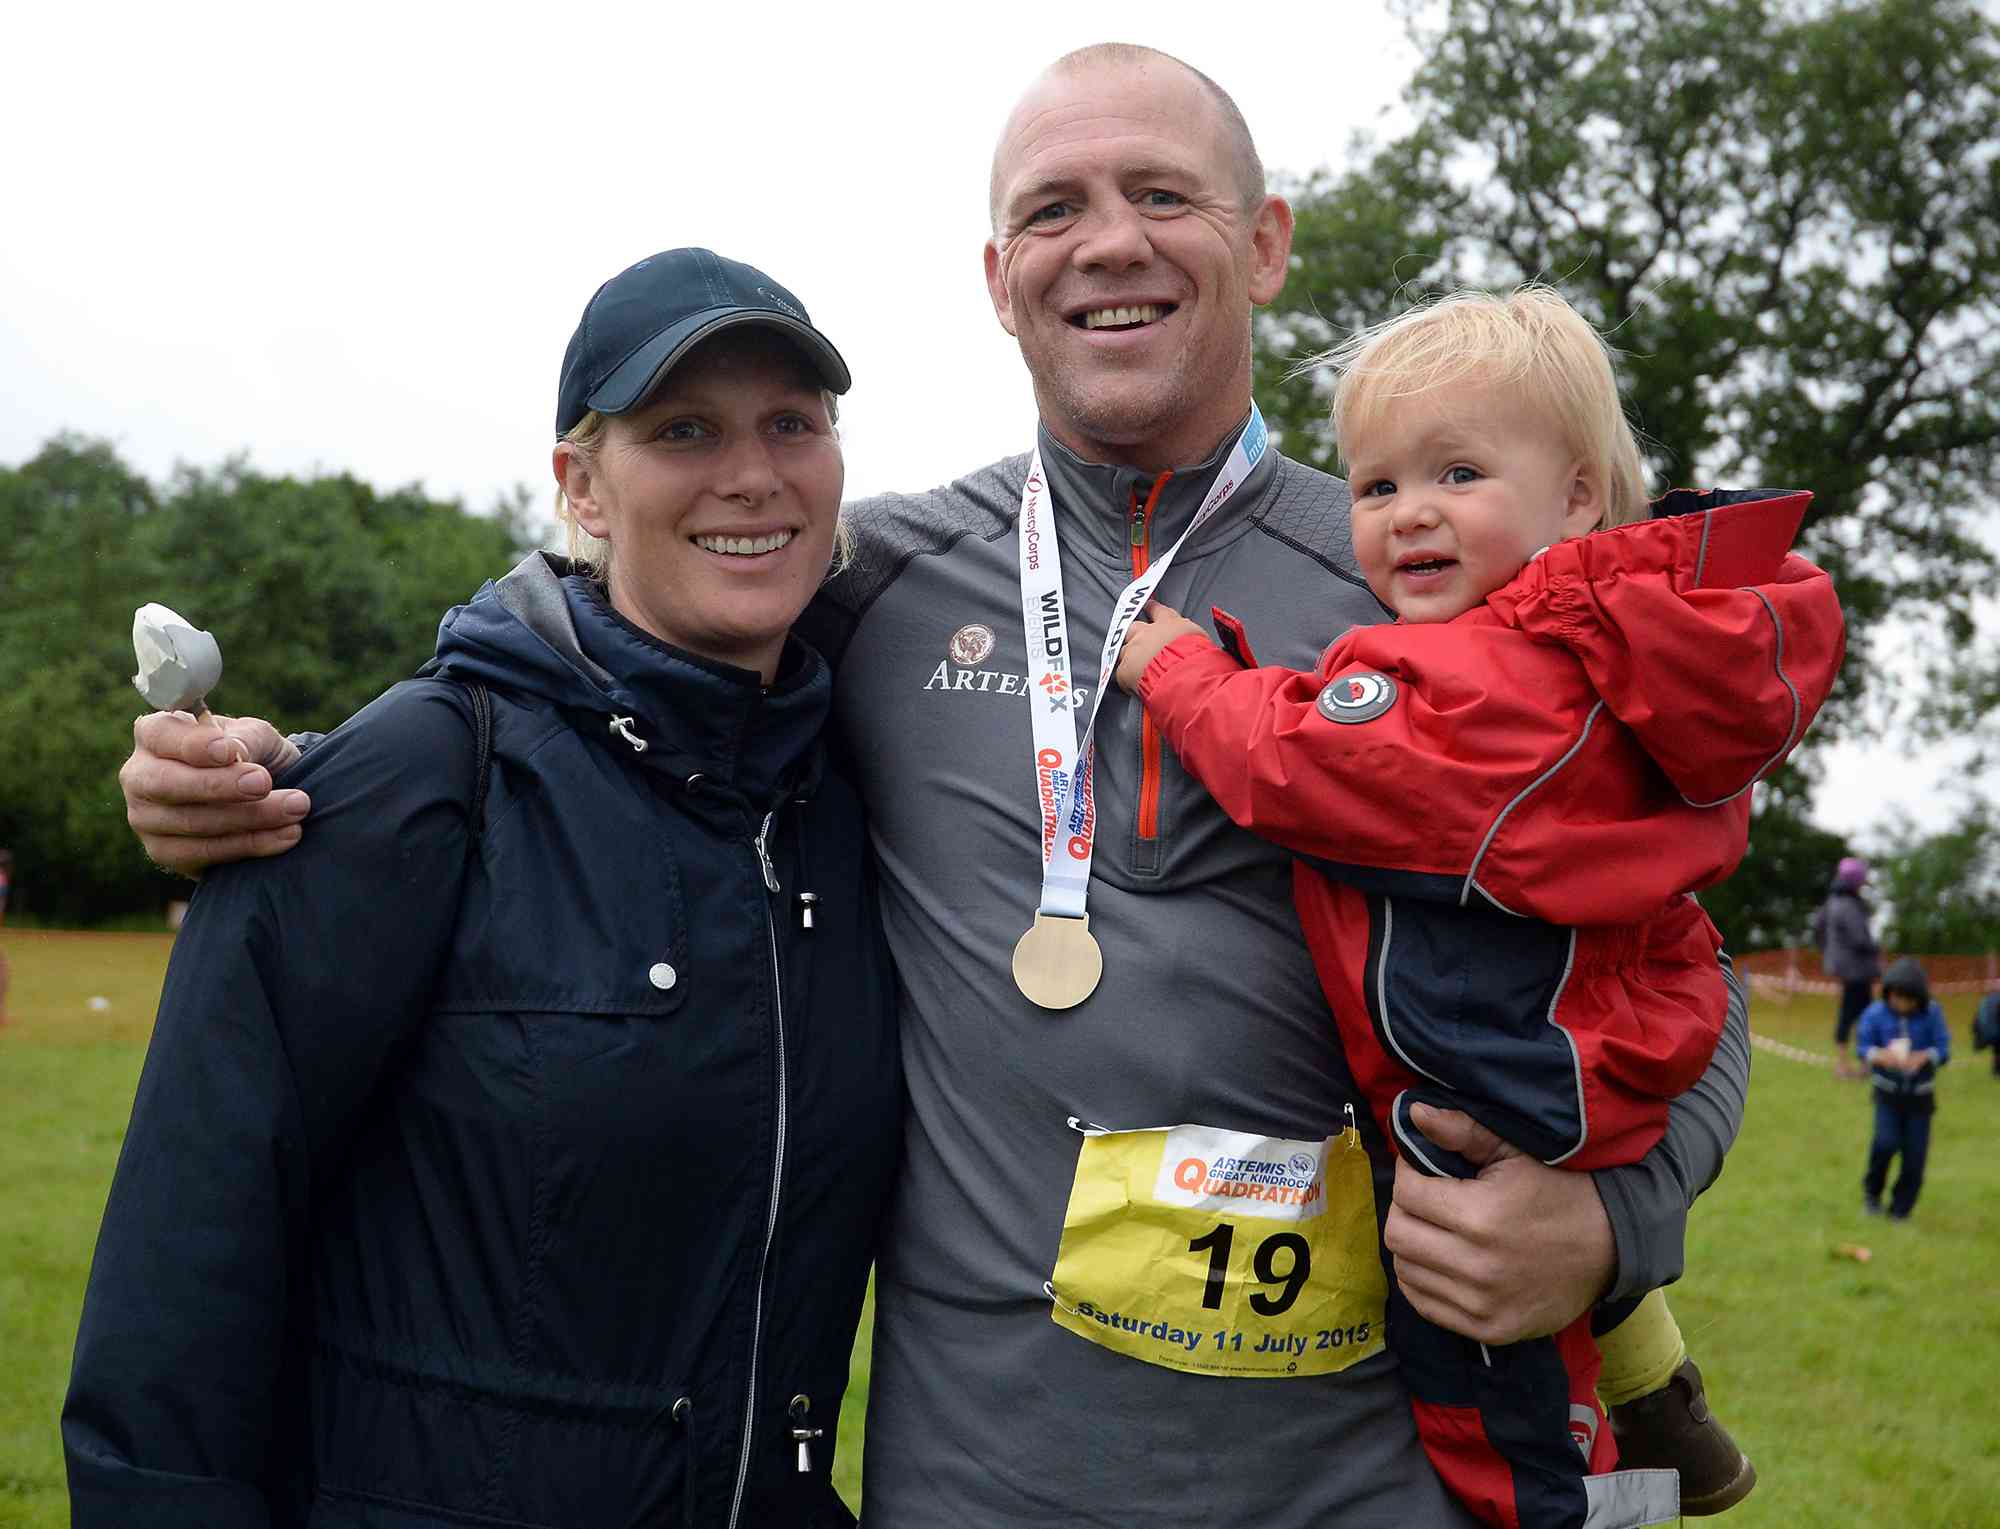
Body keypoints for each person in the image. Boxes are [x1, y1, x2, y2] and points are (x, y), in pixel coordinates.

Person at [117, 45, 1757, 1529]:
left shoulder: (1425, 575)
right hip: (976, 1480)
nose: (1106, 239)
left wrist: (1615, 1214)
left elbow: (1679, 962)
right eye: (1055, 207)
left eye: (1160, 195)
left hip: (1364, 1471)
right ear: (998, 277)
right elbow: (604, 640)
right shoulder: (881, 574)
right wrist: (289, 774)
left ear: (1263, 242)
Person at [66, 249, 901, 1528]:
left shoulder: (845, 797)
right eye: (683, 430)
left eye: (792, 422)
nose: (751, 473)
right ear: (582, 485)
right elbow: (188, 1249)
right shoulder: (421, 769)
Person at [1114, 286, 1844, 1522]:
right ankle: (1659, 1396)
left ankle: (1567, 1496)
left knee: (1485, 1402)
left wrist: (1183, 671)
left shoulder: (1507, 670)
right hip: (1582, 1034)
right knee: (1551, 1322)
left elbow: (1313, 764)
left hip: (1491, 1087)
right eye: (1377, 485)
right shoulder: (1587, 644)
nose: (1409, 514)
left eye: (1456, 471)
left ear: (1573, 498)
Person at [1856, 957, 1951, 1219]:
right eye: (1895, 996)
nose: (1899, 1002)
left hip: (1920, 1098)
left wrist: (1924, 1056)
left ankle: (1901, 1209)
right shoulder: (1875, 1013)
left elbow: (1943, 1049)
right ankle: (1872, 1196)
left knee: (1915, 1157)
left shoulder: (1933, 1013)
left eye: (1906, 998)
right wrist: (1879, 1055)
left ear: (1918, 998)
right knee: (1884, 1145)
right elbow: (1862, 1046)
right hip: (1887, 1095)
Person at [1814, 856, 1882, 1076]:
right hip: (1857, 970)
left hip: (1842, 968)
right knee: (1862, 1016)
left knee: (1850, 1014)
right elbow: (1859, 939)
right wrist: (1875, 949)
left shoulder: (1831, 902)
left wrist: (1828, 954)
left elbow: (1819, 931)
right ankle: (1853, 1066)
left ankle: (1849, 1064)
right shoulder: (1850, 904)